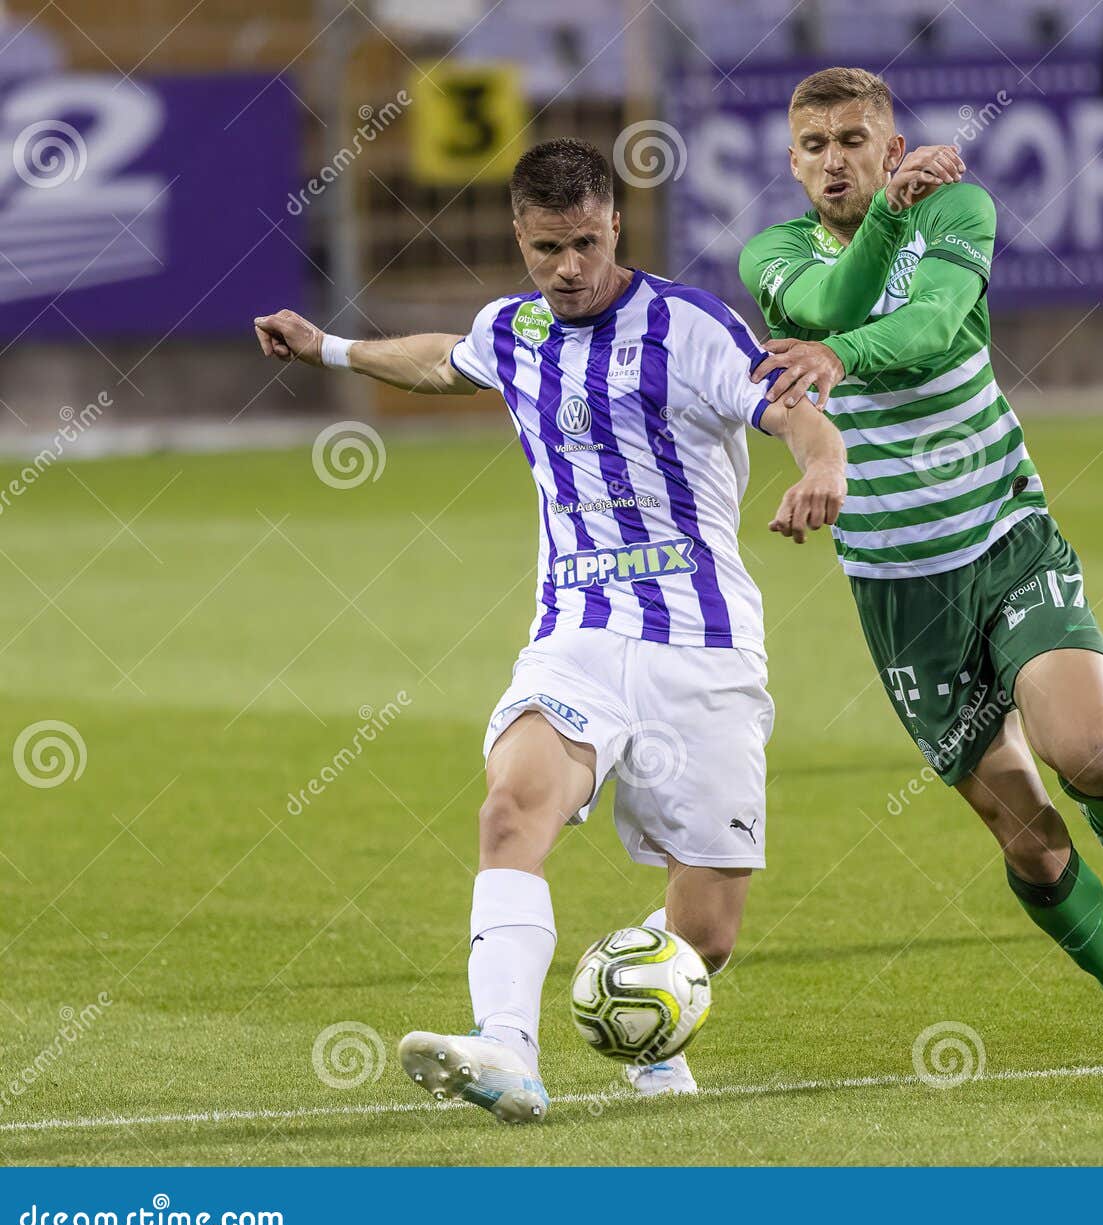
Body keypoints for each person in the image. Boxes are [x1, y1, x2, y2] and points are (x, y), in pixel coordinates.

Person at [254, 138, 846, 1122]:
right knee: (508, 813)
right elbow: (444, 362)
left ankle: (650, 1013)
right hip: (574, 631)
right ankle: (507, 1052)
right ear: (521, 240)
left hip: (700, 641)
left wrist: (822, 466)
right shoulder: (513, 328)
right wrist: (329, 347)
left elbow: (789, 408)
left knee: (708, 931)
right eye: (543, 249)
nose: (565, 268)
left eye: (582, 243)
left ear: (615, 224)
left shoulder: (687, 325)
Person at [737, 68, 1103, 1069]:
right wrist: (878, 245)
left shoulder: (959, 204)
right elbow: (833, 299)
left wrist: (840, 353)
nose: (835, 159)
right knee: (1023, 835)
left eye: (855, 139)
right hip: (900, 591)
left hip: (1002, 536)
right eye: (815, 146)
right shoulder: (769, 255)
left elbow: (930, 329)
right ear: (793, 163)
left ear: (892, 151)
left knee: (1089, 754)